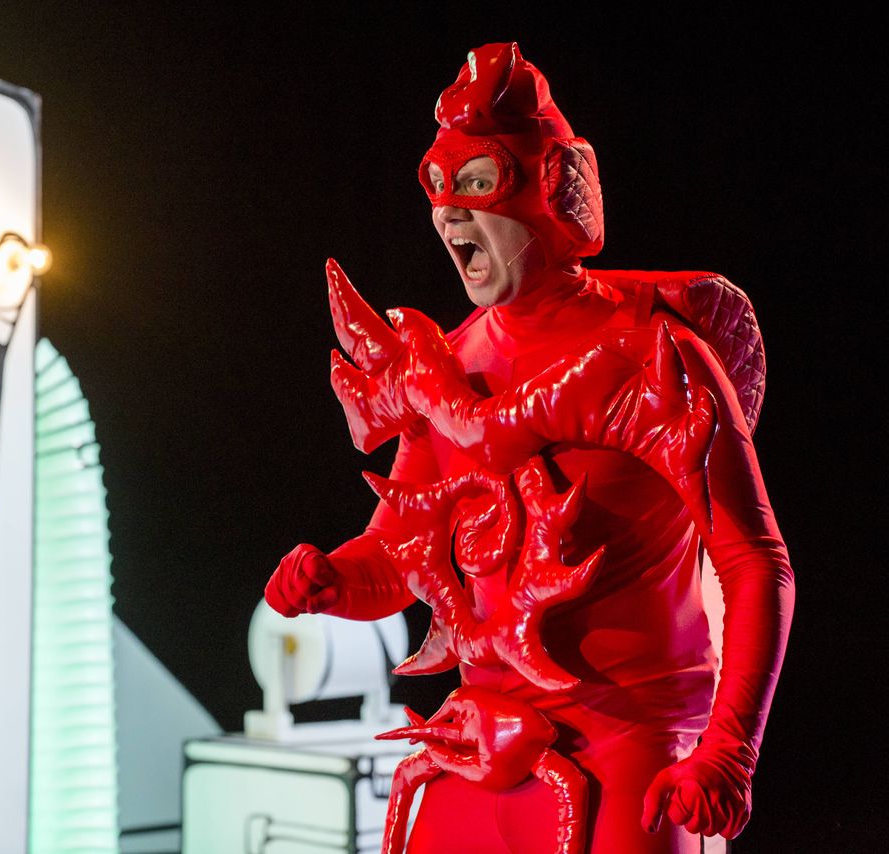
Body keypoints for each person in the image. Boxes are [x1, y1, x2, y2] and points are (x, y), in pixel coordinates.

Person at [264, 42, 794, 854]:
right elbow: (400, 556)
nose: (449, 211)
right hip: (482, 742)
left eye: (478, 181)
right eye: (437, 184)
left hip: (631, 748)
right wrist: (330, 580)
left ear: (552, 189)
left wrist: (729, 747)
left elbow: (755, 561)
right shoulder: (448, 365)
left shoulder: (651, 357)